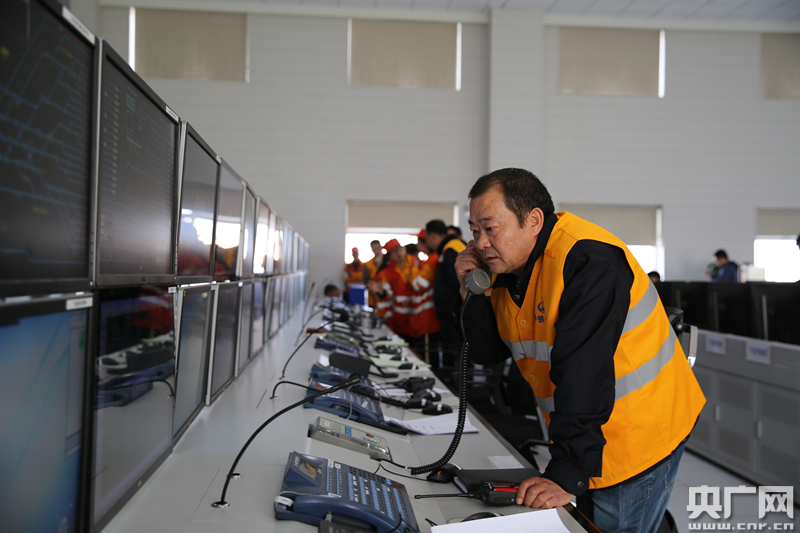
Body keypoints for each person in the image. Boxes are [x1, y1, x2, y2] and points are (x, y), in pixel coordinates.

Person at [454, 168, 705, 533]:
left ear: (533, 220)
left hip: (638, 433)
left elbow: (583, 370)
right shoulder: (510, 270)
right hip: (588, 431)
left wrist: (567, 472)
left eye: (490, 228)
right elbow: (488, 352)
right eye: (474, 231)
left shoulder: (587, 260)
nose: (480, 243)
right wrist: (471, 291)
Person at [425, 220, 466, 365]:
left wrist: (453, 306)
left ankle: (454, 377)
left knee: (453, 350)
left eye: (427, 239)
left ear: (433, 236)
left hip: (452, 311)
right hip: (452, 310)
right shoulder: (452, 247)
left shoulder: (450, 250)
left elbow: (456, 282)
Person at [366, 239, 417, 341]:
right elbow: (388, 295)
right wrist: (381, 292)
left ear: (403, 249)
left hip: (419, 318)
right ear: (390, 256)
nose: (398, 252)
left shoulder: (417, 263)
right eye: (393, 251)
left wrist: (414, 297)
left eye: (398, 248)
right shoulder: (386, 273)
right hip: (399, 321)